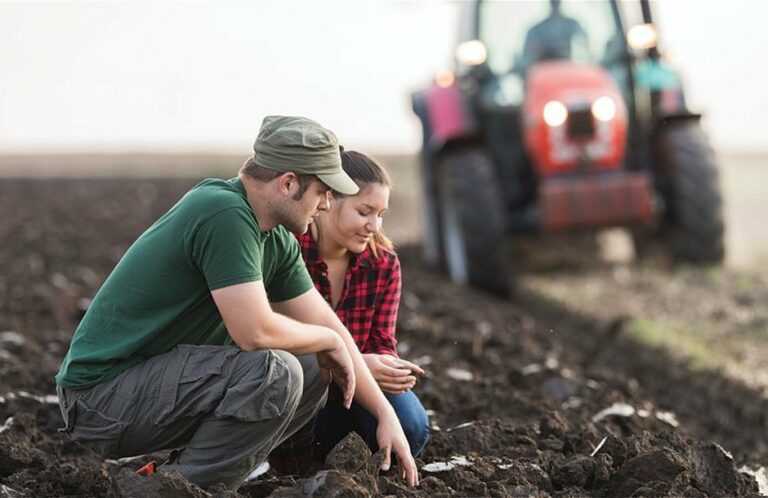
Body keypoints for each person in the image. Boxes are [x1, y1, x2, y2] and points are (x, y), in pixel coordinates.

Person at [53, 116, 419, 490]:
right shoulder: (223, 213)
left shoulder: (275, 237)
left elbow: (327, 324)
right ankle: (174, 489)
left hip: (152, 385)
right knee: (275, 372)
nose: (326, 204)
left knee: (312, 366)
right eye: (323, 192)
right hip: (101, 398)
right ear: (289, 183)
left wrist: (384, 412)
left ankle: (184, 477)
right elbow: (254, 331)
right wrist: (330, 341)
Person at [296, 150, 429, 459]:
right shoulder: (290, 251)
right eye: (365, 211)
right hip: (300, 385)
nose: (374, 225)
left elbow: (382, 340)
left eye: (380, 214)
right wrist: (352, 364)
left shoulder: (383, 263)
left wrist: (386, 366)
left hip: (357, 389)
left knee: (412, 425)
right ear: (328, 200)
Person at [521, 0, 589, 69]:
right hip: (543, 70)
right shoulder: (536, 30)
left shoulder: (572, 25)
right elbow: (527, 58)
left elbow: (584, 47)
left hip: (568, 69)